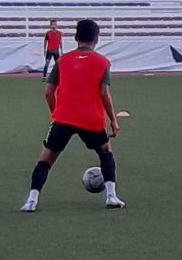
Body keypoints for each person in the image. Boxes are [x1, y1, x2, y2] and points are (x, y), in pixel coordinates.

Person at [20, 18, 125, 212]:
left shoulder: (62, 60)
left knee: (46, 159)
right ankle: (111, 195)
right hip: (91, 119)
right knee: (105, 152)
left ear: (76, 37)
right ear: (96, 38)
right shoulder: (102, 62)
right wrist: (113, 120)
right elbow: (104, 93)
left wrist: (57, 114)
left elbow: (48, 92)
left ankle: (31, 200)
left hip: (63, 119)